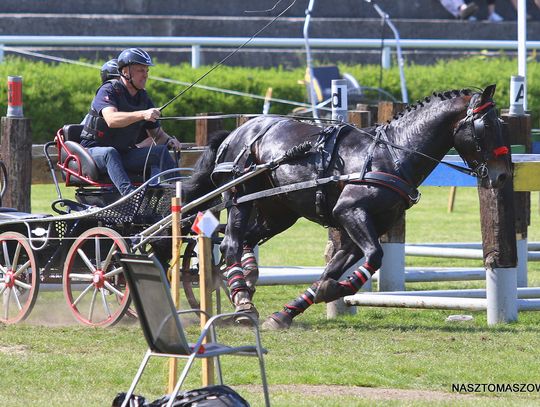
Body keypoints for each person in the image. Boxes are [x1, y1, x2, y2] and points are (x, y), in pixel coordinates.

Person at [80, 48, 181, 195]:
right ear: (126, 72)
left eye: (147, 71)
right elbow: (111, 120)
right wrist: (142, 114)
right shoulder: (108, 90)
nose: (145, 75)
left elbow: (157, 135)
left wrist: (170, 141)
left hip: (124, 153)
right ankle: (130, 196)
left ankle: (183, 195)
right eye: (141, 70)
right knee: (110, 152)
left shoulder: (143, 97)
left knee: (160, 152)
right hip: (93, 152)